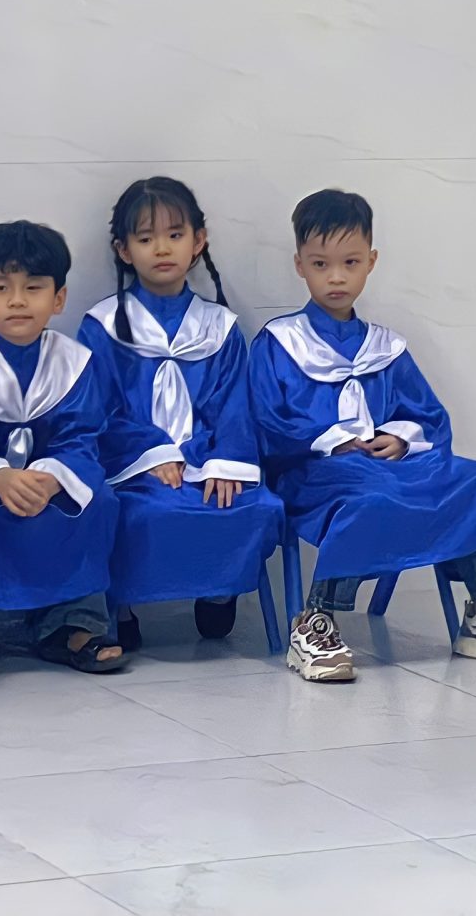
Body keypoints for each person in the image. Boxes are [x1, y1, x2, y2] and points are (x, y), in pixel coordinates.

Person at [250, 189, 476, 683]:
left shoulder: (386, 347)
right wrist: (331, 441)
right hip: (316, 473)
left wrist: (401, 438)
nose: (337, 277)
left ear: (371, 261)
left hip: (391, 467)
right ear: (300, 265)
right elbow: (265, 422)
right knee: (367, 499)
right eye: (321, 264)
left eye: (350, 263)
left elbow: (429, 415)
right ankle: (317, 622)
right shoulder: (279, 343)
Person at [0, 220, 132, 681]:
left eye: (33, 287)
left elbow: (83, 435)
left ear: (58, 298)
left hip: (47, 481)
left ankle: (73, 623)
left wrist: (52, 477)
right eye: (1, 288)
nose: (17, 300)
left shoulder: (74, 362)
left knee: (98, 500)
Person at [77, 176, 284, 649]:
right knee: (136, 510)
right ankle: (123, 604)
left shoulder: (219, 327)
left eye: (175, 234)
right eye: (145, 238)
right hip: (133, 463)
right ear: (124, 250)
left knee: (246, 504)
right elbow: (94, 410)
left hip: (206, 456)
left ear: (198, 241)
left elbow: (235, 405)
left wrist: (225, 461)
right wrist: (152, 452)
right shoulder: (102, 326)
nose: (162, 248)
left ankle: (218, 590)